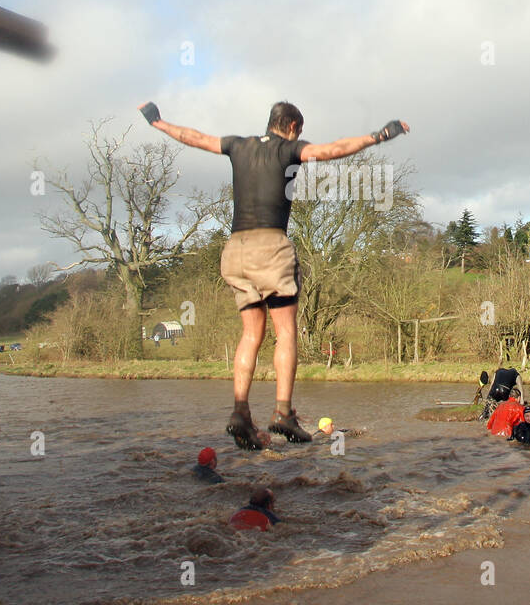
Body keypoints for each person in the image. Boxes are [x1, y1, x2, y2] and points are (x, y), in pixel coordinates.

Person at [142, 100, 409, 449]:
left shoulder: (237, 145)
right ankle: (283, 412)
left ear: (270, 123)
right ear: (294, 127)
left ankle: (240, 412)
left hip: (235, 250)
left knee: (251, 334)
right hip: (270, 246)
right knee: (286, 332)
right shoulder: (290, 149)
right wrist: (379, 135)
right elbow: (334, 150)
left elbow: (194, 137)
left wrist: (159, 122)